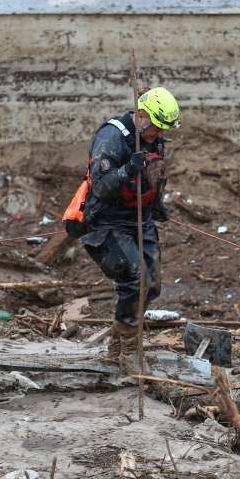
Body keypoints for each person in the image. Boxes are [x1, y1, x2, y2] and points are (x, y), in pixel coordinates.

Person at [77, 87, 180, 369]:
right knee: (136, 279)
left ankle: (117, 341)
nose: (159, 135)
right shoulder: (111, 139)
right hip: (108, 222)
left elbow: (155, 175)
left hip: (139, 218)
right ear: (142, 115)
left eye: (163, 130)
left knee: (153, 285)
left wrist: (156, 204)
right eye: (156, 128)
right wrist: (126, 170)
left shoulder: (154, 138)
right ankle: (131, 349)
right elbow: (100, 186)